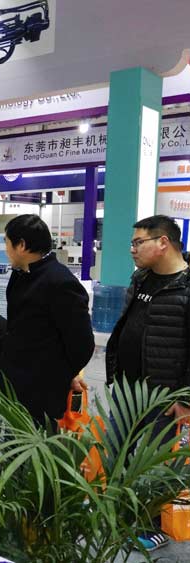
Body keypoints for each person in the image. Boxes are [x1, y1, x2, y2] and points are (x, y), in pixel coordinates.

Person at [105, 215, 190, 553]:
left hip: (163, 396)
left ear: (163, 242)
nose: (132, 249)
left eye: (138, 242)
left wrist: (185, 399)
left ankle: (150, 526)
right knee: (116, 453)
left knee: (154, 464)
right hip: (128, 389)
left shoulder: (186, 286)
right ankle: (118, 514)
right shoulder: (141, 278)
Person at [0, 214, 93, 426]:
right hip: (15, 385)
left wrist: (62, 375)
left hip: (42, 392)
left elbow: (82, 343)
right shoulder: (20, 274)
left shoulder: (60, 281)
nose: (6, 249)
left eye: (7, 242)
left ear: (21, 245)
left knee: (37, 443)